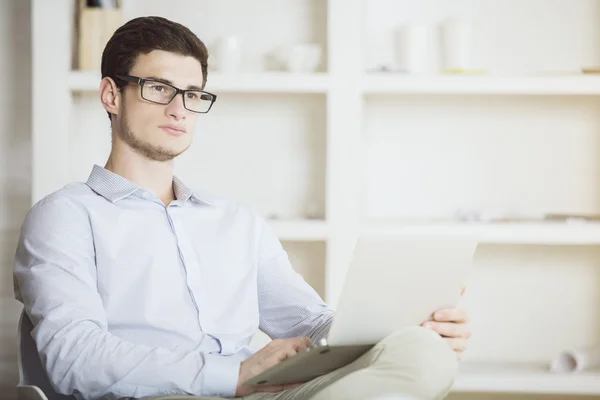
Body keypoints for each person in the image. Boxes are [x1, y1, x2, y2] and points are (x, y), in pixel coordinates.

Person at [13, 16, 472, 400]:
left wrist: (396, 326)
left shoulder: (235, 221)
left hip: (263, 393)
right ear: (112, 95)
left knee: (420, 351)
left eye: (193, 94)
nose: (179, 109)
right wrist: (234, 375)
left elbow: (311, 324)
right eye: (158, 88)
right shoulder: (65, 216)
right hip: (157, 395)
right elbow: (75, 359)